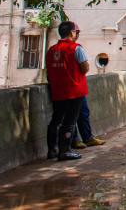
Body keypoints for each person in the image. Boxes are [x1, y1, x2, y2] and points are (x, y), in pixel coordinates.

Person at [46, 21, 89, 161]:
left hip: (57, 90)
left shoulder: (52, 50)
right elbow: (85, 68)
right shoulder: (76, 48)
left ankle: (52, 150)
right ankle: (64, 150)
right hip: (74, 91)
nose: (77, 35)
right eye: (76, 32)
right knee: (70, 121)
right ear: (72, 32)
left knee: (56, 120)